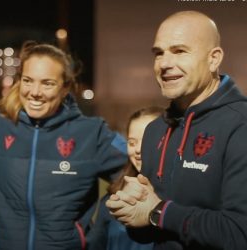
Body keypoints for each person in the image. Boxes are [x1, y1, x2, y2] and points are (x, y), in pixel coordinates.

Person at [0, 41, 128, 250]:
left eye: (47, 83)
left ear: (65, 88)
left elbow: (142, 171)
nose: (35, 92)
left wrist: (101, 231)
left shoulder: (92, 133)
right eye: (28, 80)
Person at [106, 10, 247, 250]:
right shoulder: (155, 130)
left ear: (214, 59)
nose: (164, 64)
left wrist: (159, 211)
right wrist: (134, 214)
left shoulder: (240, 125)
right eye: (158, 53)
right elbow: (152, 231)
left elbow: (239, 233)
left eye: (179, 51)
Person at [88, 106, 163, 250]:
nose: (138, 150)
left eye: (147, 140)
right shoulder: (115, 197)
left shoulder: (182, 199)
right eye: (132, 142)